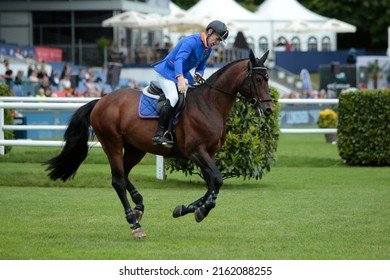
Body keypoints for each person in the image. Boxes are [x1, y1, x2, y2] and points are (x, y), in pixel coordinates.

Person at [151, 20, 229, 146]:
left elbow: (201, 66)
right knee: (173, 97)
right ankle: (159, 134)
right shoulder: (191, 41)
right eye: (217, 38)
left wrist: (199, 74)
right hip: (167, 72)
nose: (217, 42)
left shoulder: (207, 49)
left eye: (220, 41)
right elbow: (179, 60)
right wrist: (180, 77)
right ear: (210, 32)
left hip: (182, 74)